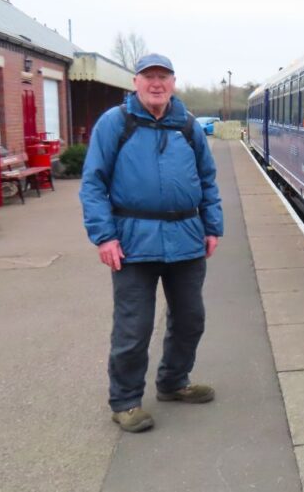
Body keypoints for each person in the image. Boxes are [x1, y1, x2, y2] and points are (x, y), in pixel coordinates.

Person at [80, 53, 223, 433]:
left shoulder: (187, 126)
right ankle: (125, 402)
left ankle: (173, 382)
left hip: (187, 239)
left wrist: (212, 227)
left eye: (163, 77)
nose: (156, 84)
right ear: (136, 83)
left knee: (191, 319)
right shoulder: (115, 123)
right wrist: (104, 236)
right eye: (149, 77)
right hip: (133, 243)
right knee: (134, 328)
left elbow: (207, 179)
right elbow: (92, 183)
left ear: (173, 83)